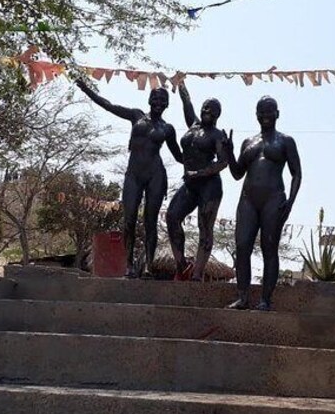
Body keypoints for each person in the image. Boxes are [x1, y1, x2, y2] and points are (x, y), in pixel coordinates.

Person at [75, 78, 183, 278]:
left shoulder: (168, 129)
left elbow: (179, 156)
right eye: (155, 98)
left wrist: (204, 161)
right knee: (129, 220)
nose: (158, 102)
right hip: (133, 174)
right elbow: (108, 106)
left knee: (150, 221)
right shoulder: (136, 116)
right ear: (150, 100)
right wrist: (86, 90)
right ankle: (129, 265)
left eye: (163, 100)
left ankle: (149, 265)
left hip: (155, 175)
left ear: (167, 104)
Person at [225, 96, 302, 310]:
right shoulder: (248, 142)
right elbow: (237, 174)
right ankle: (243, 296)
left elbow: (297, 174)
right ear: (256, 115)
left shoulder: (285, 141)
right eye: (261, 111)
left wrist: (291, 202)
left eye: (269, 111)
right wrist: (230, 153)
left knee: (269, 248)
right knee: (242, 246)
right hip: (248, 200)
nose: (265, 115)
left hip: (273, 199)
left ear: (277, 113)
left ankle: (265, 300)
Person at [165, 81, 228, 281]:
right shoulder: (193, 124)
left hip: (209, 185)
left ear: (218, 114)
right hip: (190, 185)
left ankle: (198, 273)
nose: (206, 110)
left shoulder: (217, 135)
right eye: (204, 107)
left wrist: (200, 173)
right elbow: (187, 103)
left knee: (205, 227)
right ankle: (181, 264)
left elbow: (223, 162)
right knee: (172, 216)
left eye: (211, 109)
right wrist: (181, 84)